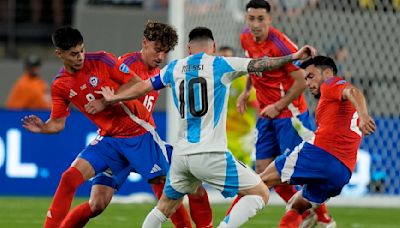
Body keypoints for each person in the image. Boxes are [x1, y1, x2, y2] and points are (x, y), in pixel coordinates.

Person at [94, 27, 316, 227]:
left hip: (181, 157)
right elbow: (262, 63)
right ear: (214, 47)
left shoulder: (174, 67)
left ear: (189, 48)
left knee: (164, 209)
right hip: (210, 154)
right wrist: (293, 56)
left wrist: (113, 99)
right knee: (259, 192)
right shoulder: (220, 64)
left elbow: (142, 87)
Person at [21, 26, 182, 228]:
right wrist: (44, 128)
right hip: (110, 139)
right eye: (73, 54)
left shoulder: (102, 60)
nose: (80, 57)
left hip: (138, 134)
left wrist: (106, 101)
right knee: (74, 183)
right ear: (59, 54)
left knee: (167, 184)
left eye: (81, 50)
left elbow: (136, 83)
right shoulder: (60, 85)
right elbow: (58, 123)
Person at [63, 21, 212, 228]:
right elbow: (103, 94)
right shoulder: (125, 65)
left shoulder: (159, 72)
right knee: (97, 203)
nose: (160, 57)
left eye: (165, 52)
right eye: (157, 50)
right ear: (144, 42)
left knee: (175, 182)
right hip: (118, 143)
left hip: (142, 141)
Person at [230, 0, 334, 226]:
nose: (255, 24)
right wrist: (247, 91)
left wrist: (278, 106)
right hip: (267, 115)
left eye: (260, 19)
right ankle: (307, 215)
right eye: (251, 19)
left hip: (290, 115)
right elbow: (253, 66)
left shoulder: (283, 46)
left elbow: (300, 82)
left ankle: (324, 218)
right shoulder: (245, 37)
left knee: (296, 171)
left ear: (270, 19)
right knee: (264, 170)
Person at [259, 56, 376, 228]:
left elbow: (353, 91)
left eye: (311, 76)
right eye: (305, 78)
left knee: (259, 182)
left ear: (327, 73)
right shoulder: (333, 104)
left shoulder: (331, 84)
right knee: (297, 206)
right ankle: (324, 220)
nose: (307, 83)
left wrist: (365, 116)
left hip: (322, 155)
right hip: (342, 173)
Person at [218, 46, 257, 166]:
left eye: (228, 58)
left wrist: (255, 129)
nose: (226, 62)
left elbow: (256, 104)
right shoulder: (216, 81)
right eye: (222, 59)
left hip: (242, 134)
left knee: (245, 169)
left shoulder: (243, 81)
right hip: (224, 133)